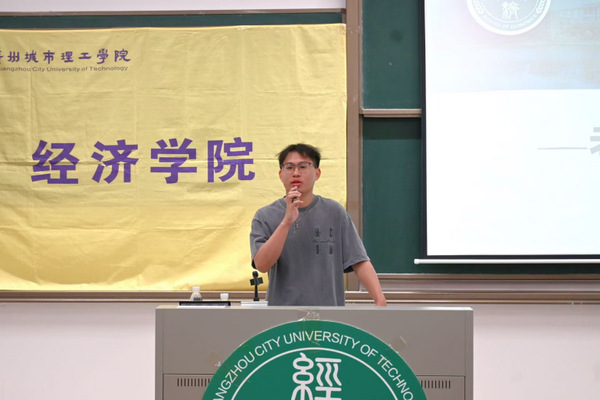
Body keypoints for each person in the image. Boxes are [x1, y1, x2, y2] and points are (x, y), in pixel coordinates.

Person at [250, 143, 387, 306]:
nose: (296, 173)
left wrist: (380, 301)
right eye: (289, 167)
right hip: (283, 316)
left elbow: (359, 261)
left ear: (317, 173)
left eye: (303, 166)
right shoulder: (264, 216)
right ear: (280, 174)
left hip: (329, 314)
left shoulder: (335, 211)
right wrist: (286, 222)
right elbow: (262, 265)